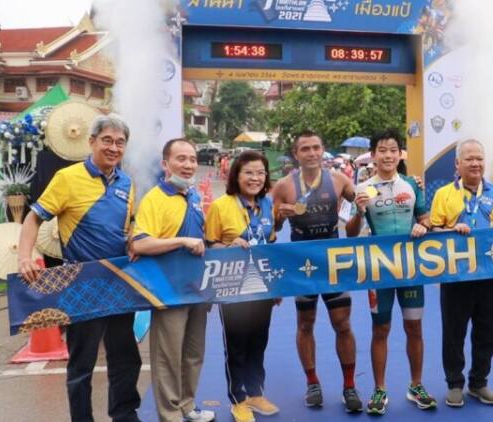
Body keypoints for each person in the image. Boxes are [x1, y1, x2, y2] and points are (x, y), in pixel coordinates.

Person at [18, 115, 142, 422]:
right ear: (92, 142)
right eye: (107, 140)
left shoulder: (127, 182)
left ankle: (125, 414)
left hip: (118, 282)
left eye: (120, 142)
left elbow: (128, 226)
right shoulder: (67, 178)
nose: (113, 148)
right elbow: (33, 217)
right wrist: (24, 257)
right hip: (81, 282)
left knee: (126, 358)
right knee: (82, 364)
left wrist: (132, 242)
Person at [271, 130, 363, 412]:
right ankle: (312, 383)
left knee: (343, 324)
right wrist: (279, 215)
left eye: (316, 147)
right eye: (305, 149)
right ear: (296, 154)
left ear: (323, 150)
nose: (312, 153)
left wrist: (360, 211)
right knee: (305, 324)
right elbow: (271, 229)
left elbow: (357, 221)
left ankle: (350, 386)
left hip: (333, 262)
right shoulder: (283, 186)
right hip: (302, 264)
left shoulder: (339, 180)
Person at [345, 130, 436, 415]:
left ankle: (416, 385)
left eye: (393, 150)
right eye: (382, 150)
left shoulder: (412, 184)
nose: (387, 155)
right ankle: (379, 390)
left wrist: (423, 226)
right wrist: (359, 212)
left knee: (414, 327)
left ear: (400, 154)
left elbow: (426, 219)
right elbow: (349, 233)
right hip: (379, 270)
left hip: (410, 269)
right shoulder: (363, 188)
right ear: (373, 155)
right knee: (381, 329)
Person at [130, 138, 214, 422]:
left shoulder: (194, 196)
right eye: (181, 159)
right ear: (166, 164)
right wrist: (181, 241)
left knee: (193, 352)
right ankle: (170, 415)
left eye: (192, 159)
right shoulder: (155, 198)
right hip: (169, 289)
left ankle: (187, 406)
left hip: (197, 288)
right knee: (168, 356)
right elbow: (140, 243)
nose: (188, 165)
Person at [429, 138, 493, 408]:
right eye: (469, 159)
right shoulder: (443, 195)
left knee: (487, 331)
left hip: (489, 275)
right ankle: (454, 384)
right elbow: (433, 231)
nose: (475, 163)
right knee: (454, 332)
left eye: (479, 158)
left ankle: (479, 382)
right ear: (457, 163)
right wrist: (450, 231)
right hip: (455, 276)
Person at [205, 151, 280, 422]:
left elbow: (270, 243)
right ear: (236, 175)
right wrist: (228, 246)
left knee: (259, 341)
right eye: (249, 172)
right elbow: (209, 245)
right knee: (236, 345)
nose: (255, 178)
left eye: (260, 173)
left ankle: (256, 393)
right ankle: (238, 399)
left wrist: (276, 286)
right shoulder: (221, 206)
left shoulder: (267, 204)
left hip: (262, 286)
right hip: (232, 287)